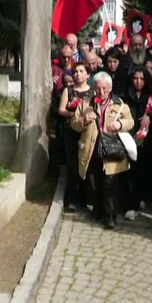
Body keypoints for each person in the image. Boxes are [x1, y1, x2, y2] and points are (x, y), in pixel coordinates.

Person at [70, 72, 134, 229]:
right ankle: (98, 210)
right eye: (97, 89)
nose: (101, 92)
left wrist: (120, 124)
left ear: (110, 88)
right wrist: (84, 120)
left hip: (111, 150)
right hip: (91, 151)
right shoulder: (85, 103)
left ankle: (110, 215)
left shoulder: (119, 104)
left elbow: (130, 122)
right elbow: (73, 124)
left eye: (104, 89)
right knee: (93, 182)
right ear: (93, 88)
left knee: (110, 184)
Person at [58, 62, 93, 212]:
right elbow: (61, 110)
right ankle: (71, 199)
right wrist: (75, 115)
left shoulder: (93, 92)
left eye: (81, 71)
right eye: (76, 71)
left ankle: (85, 199)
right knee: (72, 165)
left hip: (87, 132)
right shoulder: (69, 90)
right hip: (71, 131)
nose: (78, 74)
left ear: (88, 74)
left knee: (86, 165)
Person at [121, 67, 152, 220]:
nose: (138, 82)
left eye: (142, 78)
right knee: (129, 171)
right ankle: (129, 204)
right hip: (128, 137)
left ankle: (138, 200)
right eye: (136, 78)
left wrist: (150, 117)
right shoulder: (125, 95)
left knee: (141, 171)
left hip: (146, 140)